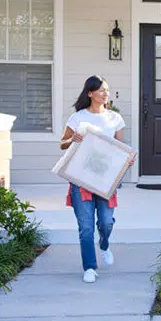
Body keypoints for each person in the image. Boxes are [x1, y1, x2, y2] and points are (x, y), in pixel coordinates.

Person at [60, 75, 132, 283]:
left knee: (106, 222)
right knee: (85, 226)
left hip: (105, 178)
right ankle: (89, 267)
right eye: (101, 90)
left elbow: (120, 148)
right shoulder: (78, 118)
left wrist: (127, 160)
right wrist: (71, 139)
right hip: (80, 177)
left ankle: (105, 244)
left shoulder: (114, 118)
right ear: (90, 93)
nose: (105, 93)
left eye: (107, 90)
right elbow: (63, 144)